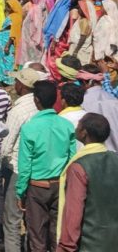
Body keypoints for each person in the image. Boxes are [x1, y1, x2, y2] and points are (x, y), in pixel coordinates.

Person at [16, 81, 76, 252]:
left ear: (36, 100)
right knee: (57, 233)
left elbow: (25, 165)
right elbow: (72, 158)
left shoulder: (29, 128)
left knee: (37, 235)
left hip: (36, 188)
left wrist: (20, 192)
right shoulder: (66, 125)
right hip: (60, 186)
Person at [57, 113, 118, 251]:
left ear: (84, 133)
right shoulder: (115, 159)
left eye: (78, 126)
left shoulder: (79, 167)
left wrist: (65, 247)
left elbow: (73, 214)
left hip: (90, 244)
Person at [0, 68, 40, 251]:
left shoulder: (19, 111)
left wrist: (1, 167)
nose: (14, 84)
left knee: (12, 219)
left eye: (16, 81)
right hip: (38, 169)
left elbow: (7, 145)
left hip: (17, 168)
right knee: (32, 218)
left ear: (22, 86)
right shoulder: (39, 106)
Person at [20, 0, 47, 66]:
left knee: (30, 59)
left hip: (32, 39)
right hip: (30, 38)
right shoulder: (39, 7)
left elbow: (37, 25)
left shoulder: (36, 9)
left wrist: (35, 39)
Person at [93, 0, 117, 65]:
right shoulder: (114, 20)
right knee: (109, 73)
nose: (101, 8)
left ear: (107, 8)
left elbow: (100, 39)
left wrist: (98, 57)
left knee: (103, 71)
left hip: (102, 56)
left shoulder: (105, 21)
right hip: (112, 55)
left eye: (102, 6)